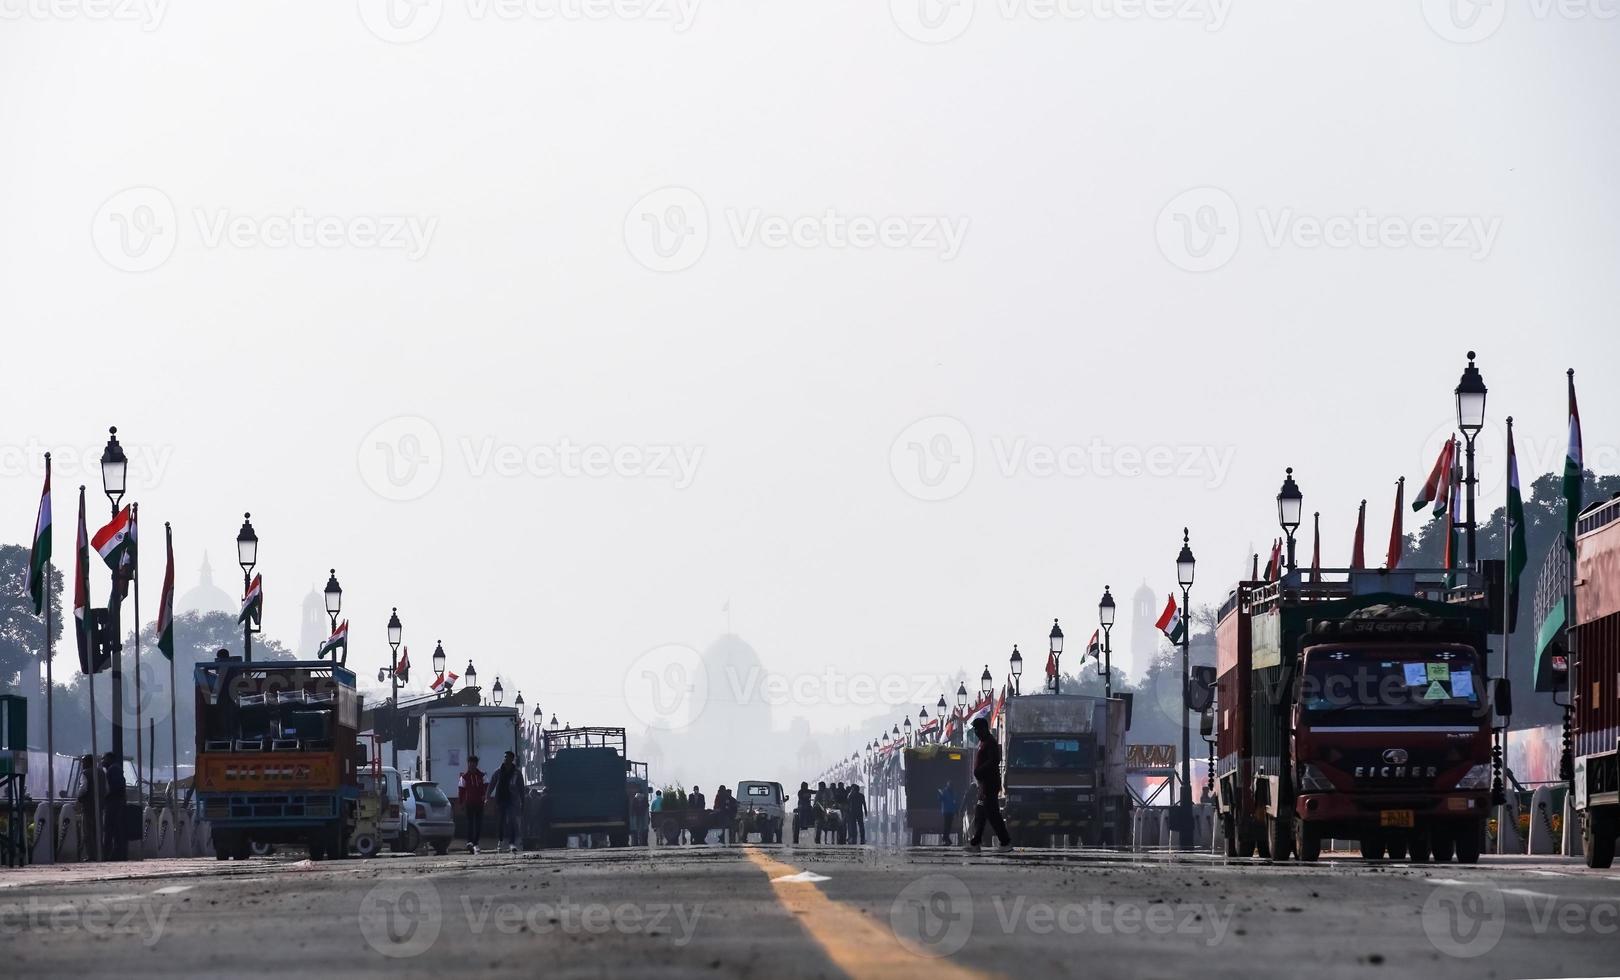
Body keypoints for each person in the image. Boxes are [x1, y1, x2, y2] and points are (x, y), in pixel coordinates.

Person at [966, 717, 1012, 852]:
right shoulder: (984, 742)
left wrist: (979, 771)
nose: (975, 732)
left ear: (984, 729)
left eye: (977, 729)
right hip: (984, 785)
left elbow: (994, 761)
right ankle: (976, 842)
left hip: (989, 784)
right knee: (980, 812)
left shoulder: (990, 743)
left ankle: (1005, 842)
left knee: (993, 814)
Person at [488, 750, 526, 853]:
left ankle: (512, 843)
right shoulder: (498, 771)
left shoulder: (517, 773)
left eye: (507, 757)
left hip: (512, 800)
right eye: (504, 757)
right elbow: (492, 784)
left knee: (512, 821)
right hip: (500, 799)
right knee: (501, 821)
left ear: (512, 759)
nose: (505, 759)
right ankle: (500, 841)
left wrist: (522, 801)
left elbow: (521, 788)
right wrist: (487, 796)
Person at [100, 753, 127, 861]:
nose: (102, 761)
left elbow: (115, 788)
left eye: (104, 759)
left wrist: (106, 796)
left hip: (113, 803)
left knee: (110, 829)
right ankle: (115, 853)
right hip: (116, 802)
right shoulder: (115, 769)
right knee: (115, 829)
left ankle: (108, 854)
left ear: (110, 759)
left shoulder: (113, 770)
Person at [457, 755, 487, 854]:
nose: (471, 765)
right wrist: (461, 803)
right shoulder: (464, 777)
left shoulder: (482, 775)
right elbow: (461, 791)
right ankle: (469, 842)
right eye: (470, 763)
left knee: (478, 824)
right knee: (470, 823)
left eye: (473, 763)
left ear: (476, 764)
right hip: (469, 803)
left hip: (479, 803)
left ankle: (476, 842)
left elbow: (487, 788)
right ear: (468, 764)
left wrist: (485, 798)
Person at [938, 780, 958, 846]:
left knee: (949, 826)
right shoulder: (944, 791)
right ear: (948, 785)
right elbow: (940, 799)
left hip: (951, 811)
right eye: (950, 785)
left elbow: (954, 802)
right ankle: (945, 839)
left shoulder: (953, 792)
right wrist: (940, 795)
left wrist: (956, 811)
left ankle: (946, 838)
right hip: (946, 811)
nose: (951, 786)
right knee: (947, 825)